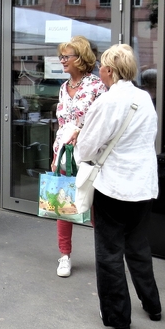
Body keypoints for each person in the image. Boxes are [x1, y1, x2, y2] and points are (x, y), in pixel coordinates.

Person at [75, 44, 160, 329]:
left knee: (109, 252)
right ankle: (153, 305)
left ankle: (117, 317)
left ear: (110, 70)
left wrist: (78, 140)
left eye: (101, 66)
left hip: (114, 185)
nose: (99, 70)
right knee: (138, 246)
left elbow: (86, 146)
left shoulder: (107, 101)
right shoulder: (144, 98)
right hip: (144, 184)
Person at [50, 36, 106, 278]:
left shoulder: (96, 86)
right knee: (64, 205)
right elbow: (62, 124)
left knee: (96, 206)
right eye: (61, 56)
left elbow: (102, 124)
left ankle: (106, 256)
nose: (62, 60)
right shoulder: (64, 87)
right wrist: (55, 155)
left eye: (66, 56)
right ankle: (65, 256)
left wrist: (81, 132)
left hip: (89, 153)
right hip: (65, 153)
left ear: (81, 59)